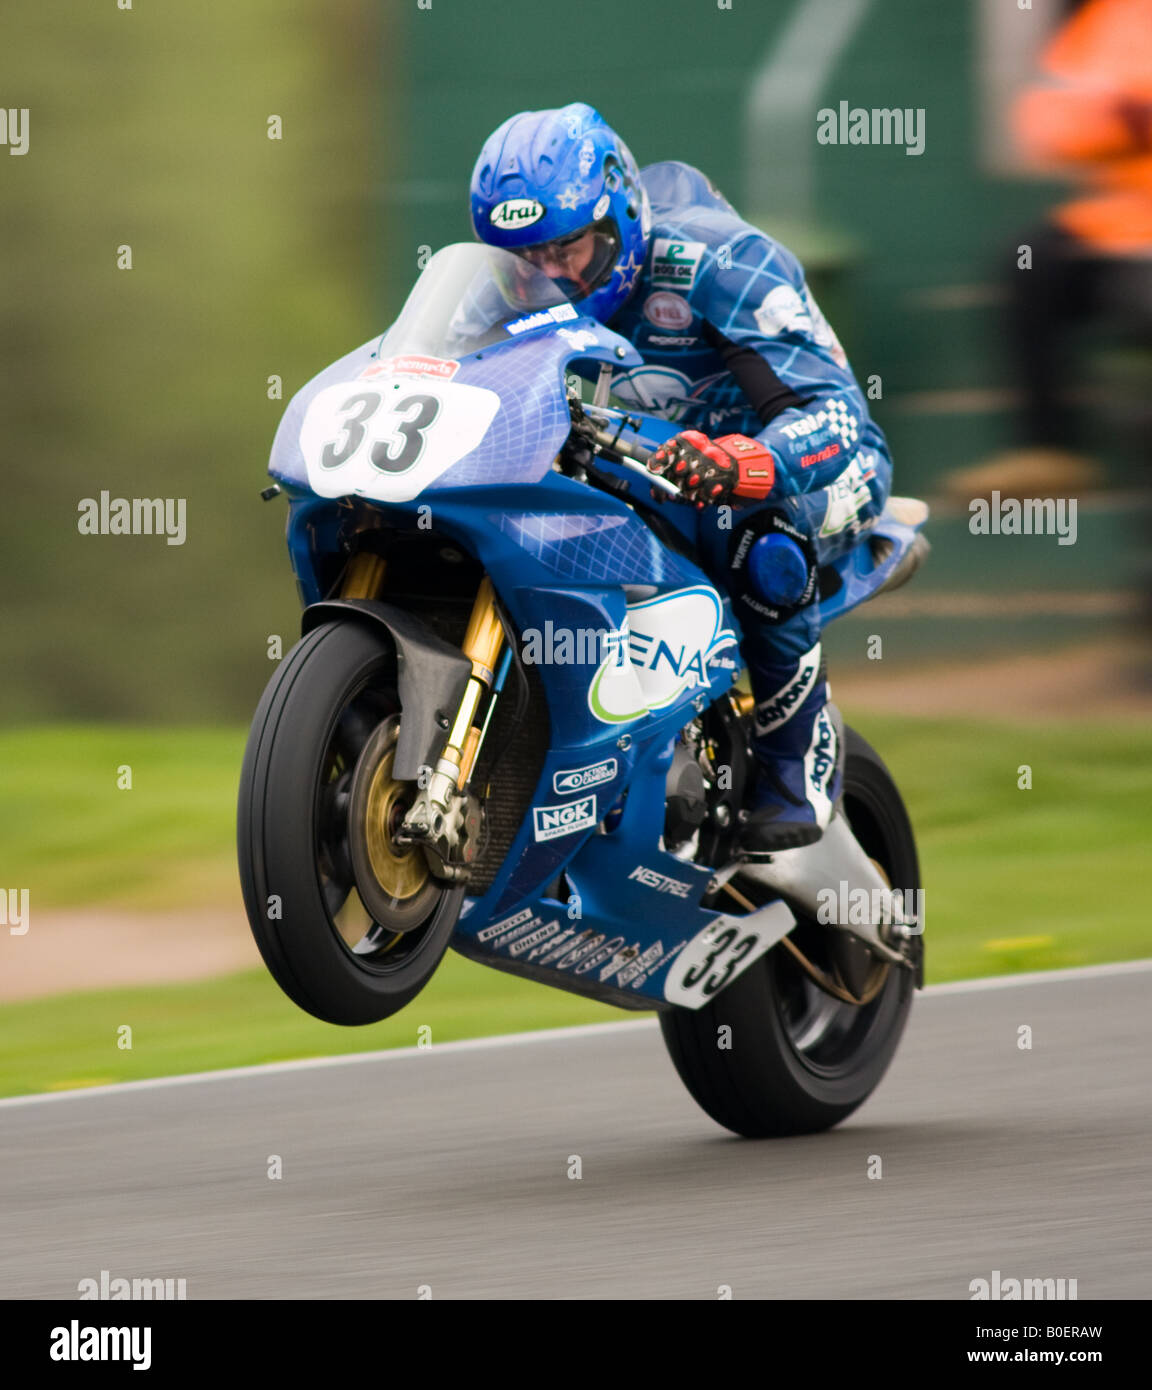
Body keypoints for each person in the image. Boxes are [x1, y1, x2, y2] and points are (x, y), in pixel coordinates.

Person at [470, 102, 894, 853]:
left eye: (570, 247)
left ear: (622, 215)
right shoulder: (505, 295)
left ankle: (795, 764)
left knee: (758, 532)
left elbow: (836, 417)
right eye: (524, 257)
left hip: (814, 468)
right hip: (640, 469)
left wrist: (741, 462)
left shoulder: (724, 264)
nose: (552, 275)